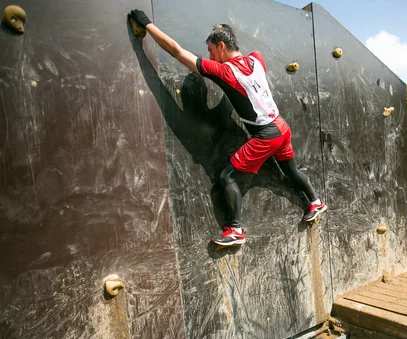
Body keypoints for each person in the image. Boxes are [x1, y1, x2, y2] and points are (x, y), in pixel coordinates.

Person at [128, 10, 327, 246]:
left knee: (227, 176)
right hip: (282, 128)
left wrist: (147, 25)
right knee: (291, 171)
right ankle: (315, 202)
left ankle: (235, 230)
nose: (210, 56)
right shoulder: (257, 58)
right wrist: (223, 28)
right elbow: (233, 95)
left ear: (221, 46)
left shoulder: (224, 71)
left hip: (266, 136)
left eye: (211, 50)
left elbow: (177, 51)